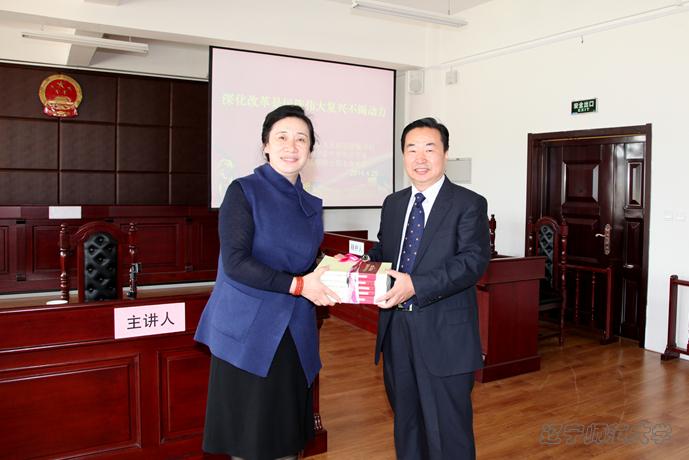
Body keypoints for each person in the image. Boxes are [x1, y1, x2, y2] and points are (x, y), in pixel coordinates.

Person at [195, 105, 339, 460]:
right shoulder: (244, 191)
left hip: (293, 332)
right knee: (250, 441)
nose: (292, 146)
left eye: (301, 139)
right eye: (282, 137)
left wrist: (342, 272)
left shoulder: (310, 203)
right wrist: (299, 286)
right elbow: (236, 263)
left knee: (285, 438)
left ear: (310, 150)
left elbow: (306, 261)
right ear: (266, 145)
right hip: (248, 332)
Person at [368, 117, 490, 459]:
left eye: (429, 148)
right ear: (403, 156)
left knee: (448, 433)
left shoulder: (468, 203)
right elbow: (385, 251)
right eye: (411, 149)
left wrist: (416, 286)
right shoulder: (393, 203)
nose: (420, 158)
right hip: (396, 331)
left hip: (444, 334)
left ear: (445, 153)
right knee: (406, 424)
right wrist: (356, 264)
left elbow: (472, 262)